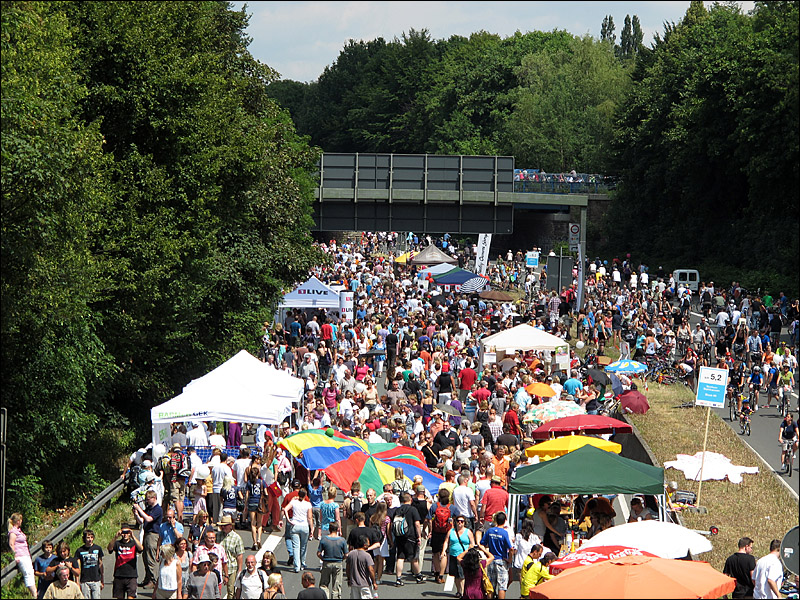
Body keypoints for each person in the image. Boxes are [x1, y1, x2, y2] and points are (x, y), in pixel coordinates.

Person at [390, 492, 424, 586]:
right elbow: (417, 524)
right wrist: (419, 536)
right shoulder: (413, 509)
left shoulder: (397, 510)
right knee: (413, 558)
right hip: (410, 536)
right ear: (410, 500)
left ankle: (398, 578)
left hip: (399, 536)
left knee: (400, 557)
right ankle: (418, 575)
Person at [133, 488, 163, 589]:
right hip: (146, 533)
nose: (147, 501)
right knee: (145, 557)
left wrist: (140, 509)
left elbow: (149, 519)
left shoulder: (158, 509)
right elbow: (142, 520)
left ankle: (153, 580)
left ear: (154, 498)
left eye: (148, 499)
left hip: (153, 534)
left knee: (151, 558)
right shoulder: (149, 509)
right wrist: (136, 513)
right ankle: (147, 578)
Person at [441, 514, 475, 597]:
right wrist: (443, 551)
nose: (460, 523)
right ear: (455, 522)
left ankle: (463, 593)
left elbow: (472, 544)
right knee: (456, 575)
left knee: (462, 575)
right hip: (453, 555)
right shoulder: (451, 531)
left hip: (464, 557)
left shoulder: (468, 532)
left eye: (462, 521)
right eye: (458, 521)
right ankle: (459, 591)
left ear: (464, 523)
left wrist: (466, 551)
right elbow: (446, 541)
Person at [483, 512, 514, 599]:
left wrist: (487, 554)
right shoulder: (504, 533)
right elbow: (511, 548)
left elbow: (482, 544)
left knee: (491, 585)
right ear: (505, 521)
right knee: (502, 586)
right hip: (501, 560)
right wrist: (510, 559)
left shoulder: (490, 531)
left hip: (492, 560)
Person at [107, 526, 143, 600]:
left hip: (131, 575)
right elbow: (109, 548)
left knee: (131, 597)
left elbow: (141, 548)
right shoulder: (117, 543)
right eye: (123, 532)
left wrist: (133, 536)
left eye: (127, 532)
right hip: (119, 575)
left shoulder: (133, 543)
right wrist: (115, 537)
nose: (125, 534)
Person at [283, 487, 313, 573]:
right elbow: (310, 517)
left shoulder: (293, 502)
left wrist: (289, 520)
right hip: (304, 526)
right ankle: (303, 562)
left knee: (296, 546)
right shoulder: (308, 504)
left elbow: (285, 509)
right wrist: (312, 528)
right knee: (303, 546)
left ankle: (297, 566)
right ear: (305, 495)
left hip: (295, 525)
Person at [7, 512, 37, 598]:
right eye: (20, 520)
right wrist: (15, 555)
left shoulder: (19, 531)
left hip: (26, 554)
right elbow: (11, 544)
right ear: (18, 521)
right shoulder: (13, 532)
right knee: (27, 572)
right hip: (20, 555)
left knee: (31, 571)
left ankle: (34, 591)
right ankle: (34, 592)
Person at [317, 521, 348, 600]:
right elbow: (346, 554)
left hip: (327, 562)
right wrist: (342, 559)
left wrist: (323, 559)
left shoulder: (324, 540)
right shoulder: (342, 540)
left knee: (324, 584)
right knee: (336, 586)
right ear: (337, 529)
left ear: (329, 529)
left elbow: (318, 553)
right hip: (338, 563)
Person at [217, 515, 245, 600]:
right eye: (222, 525)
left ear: (230, 526)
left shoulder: (236, 538)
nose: (223, 527)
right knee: (217, 590)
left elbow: (239, 555)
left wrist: (239, 570)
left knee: (231, 590)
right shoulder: (217, 536)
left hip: (231, 568)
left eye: (225, 525)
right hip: (219, 568)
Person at [345, 534, 378, 600]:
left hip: (354, 584)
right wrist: (374, 582)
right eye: (368, 542)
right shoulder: (367, 556)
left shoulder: (351, 554)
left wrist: (349, 579)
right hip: (365, 584)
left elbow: (347, 568)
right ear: (364, 544)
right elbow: (371, 569)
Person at [75, 529, 104, 599]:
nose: (90, 539)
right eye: (88, 537)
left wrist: (102, 579)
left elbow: (101, 564)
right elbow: (78, 567)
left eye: (91, 537)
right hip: (85, 580)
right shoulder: (80, 551)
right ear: (84, 538)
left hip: (96, 579)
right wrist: (77, 582)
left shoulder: (98, 548)